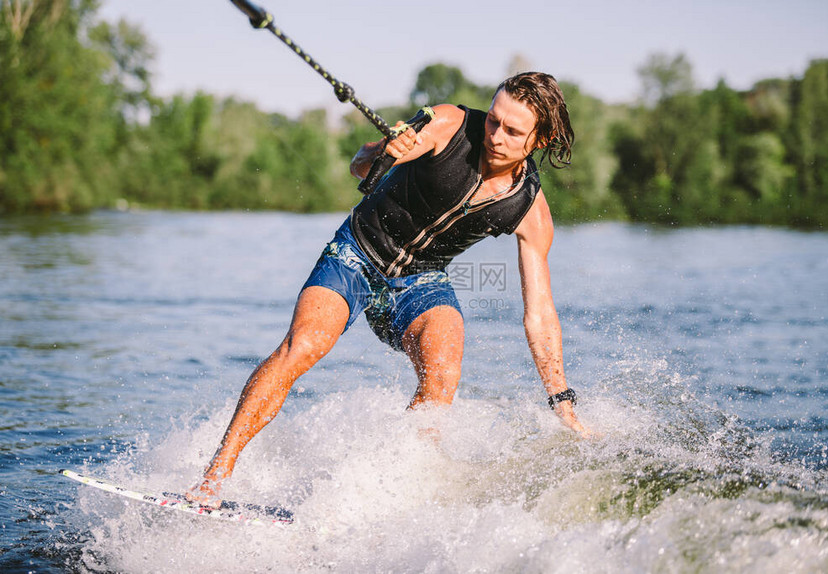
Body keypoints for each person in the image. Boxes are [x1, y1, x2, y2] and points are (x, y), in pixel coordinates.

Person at [188, 71, 593, 504]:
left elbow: (540, 312)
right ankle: (215, 475)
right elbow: (359, 166)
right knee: (304, 345)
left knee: (444, 371)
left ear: (542, 139)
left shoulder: (529, 208)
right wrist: (385, 149)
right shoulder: (446, 124)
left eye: (513, 131)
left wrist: (561, 401)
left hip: (422, 282)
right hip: (356, 254)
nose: (495, 135)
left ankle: (395, 497)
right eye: (494, 120)